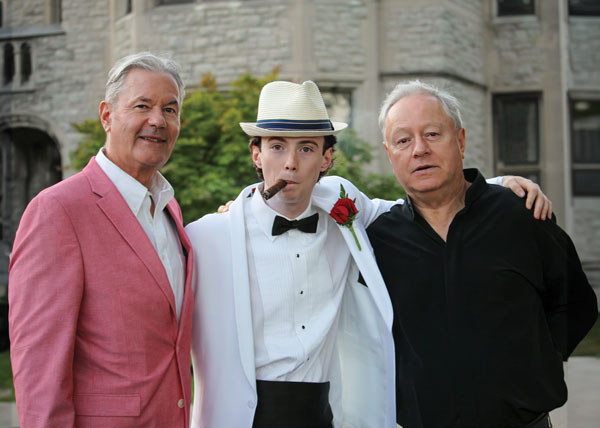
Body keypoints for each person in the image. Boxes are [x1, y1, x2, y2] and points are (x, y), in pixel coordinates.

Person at [186, 80, 550, 428]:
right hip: (241, 415)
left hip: (323, 412)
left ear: (326, 158)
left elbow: (418, 206)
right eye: (277, 146)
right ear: (257, 153)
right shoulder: (208, 237)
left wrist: (498, 188)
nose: (291, 163)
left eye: (307, 148)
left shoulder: (344, 207)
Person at [367, 80, 598, 428]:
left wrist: (536, 365)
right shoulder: (379, 240)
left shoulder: (520, 215)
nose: (419, 150)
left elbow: (575, 301)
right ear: (390, 154)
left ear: (460, 141)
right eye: (404, 140)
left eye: (432, 134)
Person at [9, 52, 194, 428]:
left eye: (170, 110)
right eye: (142, 105)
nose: (157, 120)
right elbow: (39, 367)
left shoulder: (169, 209)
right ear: (107, 116)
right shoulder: (57, 211)